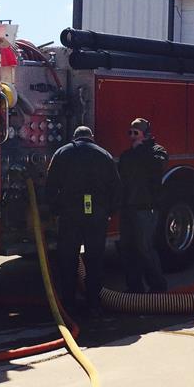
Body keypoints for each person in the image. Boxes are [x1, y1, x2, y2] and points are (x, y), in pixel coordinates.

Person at [45, 125, 120, 317]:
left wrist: (55, 210)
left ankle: (68, 304)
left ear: (74, 137)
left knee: (68, 260)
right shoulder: (104, 155)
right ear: (91, 137)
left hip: (70, 215)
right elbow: (116, 187)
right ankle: (93, 304)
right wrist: (109, 211)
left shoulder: (62, 153)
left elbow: (50, 185)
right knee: (94, 260)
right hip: (97, 215)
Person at [117, 117, 168, 294]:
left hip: (146, 208)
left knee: (145, 248)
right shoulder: (127, 155)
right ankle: (134, 287)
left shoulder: (157, 151)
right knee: (128, 248)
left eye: (136, 133)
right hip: (128, 208)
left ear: (145, 135)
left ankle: (158, 287)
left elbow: (157, 165)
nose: (132, 136)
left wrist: (140, 150)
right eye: (130, 132)